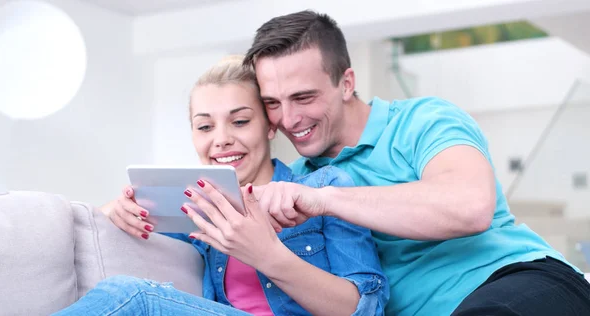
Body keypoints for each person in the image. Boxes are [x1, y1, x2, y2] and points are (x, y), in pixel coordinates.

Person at [241, 10, 590, 316]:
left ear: (346, 84)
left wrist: (326, 199)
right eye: (273, 103)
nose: (288, 119)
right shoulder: (292, 183)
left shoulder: (423, 121)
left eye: (303, 97)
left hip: (519, 279)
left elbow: (470, 206)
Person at [54, 56, 388, 316]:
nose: (222, 140)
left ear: (270, 127)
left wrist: (267, 255)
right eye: (204, 126)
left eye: (240, 121)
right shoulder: (195, 205)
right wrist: (116, 209)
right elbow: (94, 230)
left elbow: (366, 308)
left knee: (133, 297)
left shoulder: (324, 188)